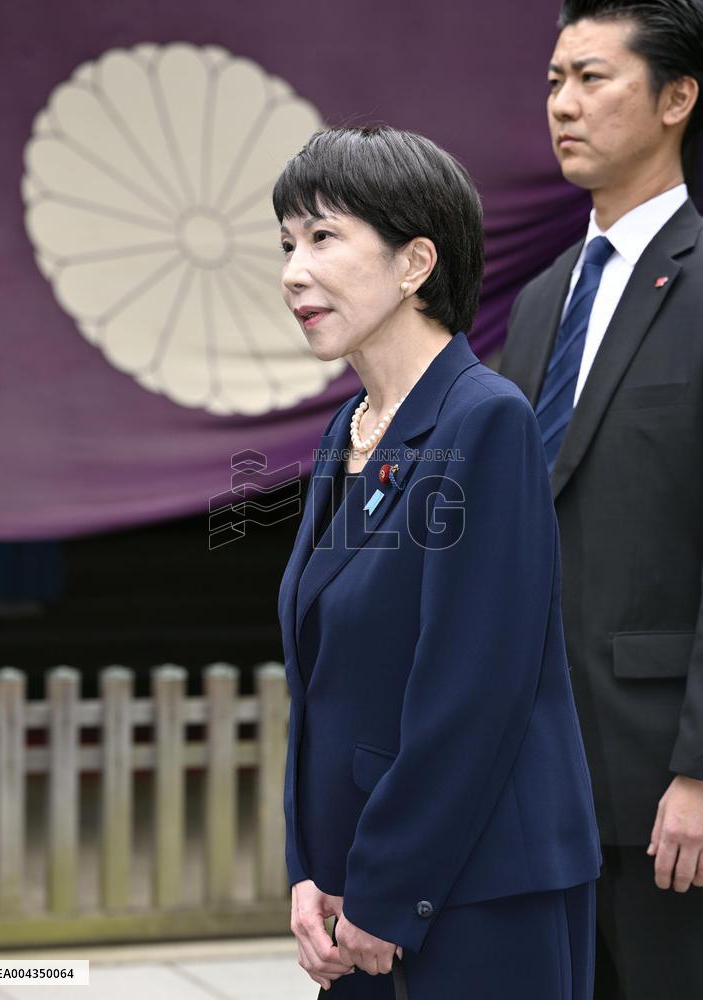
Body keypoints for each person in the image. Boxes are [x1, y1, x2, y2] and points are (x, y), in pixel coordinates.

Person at [273, 124, 600, 999]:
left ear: (416, 261)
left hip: (474, 890)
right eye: (286, 244)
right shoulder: (347, 430)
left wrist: (384, 889)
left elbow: (473, 690)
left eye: (323, 237)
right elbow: (327, 679)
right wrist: (308, 870)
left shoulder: (483, 421)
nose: (292, 271)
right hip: (362, 892)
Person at [499, 2, 703, 997]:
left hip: (666, 785)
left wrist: (700, 772)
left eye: (590, 78)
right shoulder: (541, 297)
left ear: (675, 97)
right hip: (534, 780)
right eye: (551, 81)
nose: (562, 105)